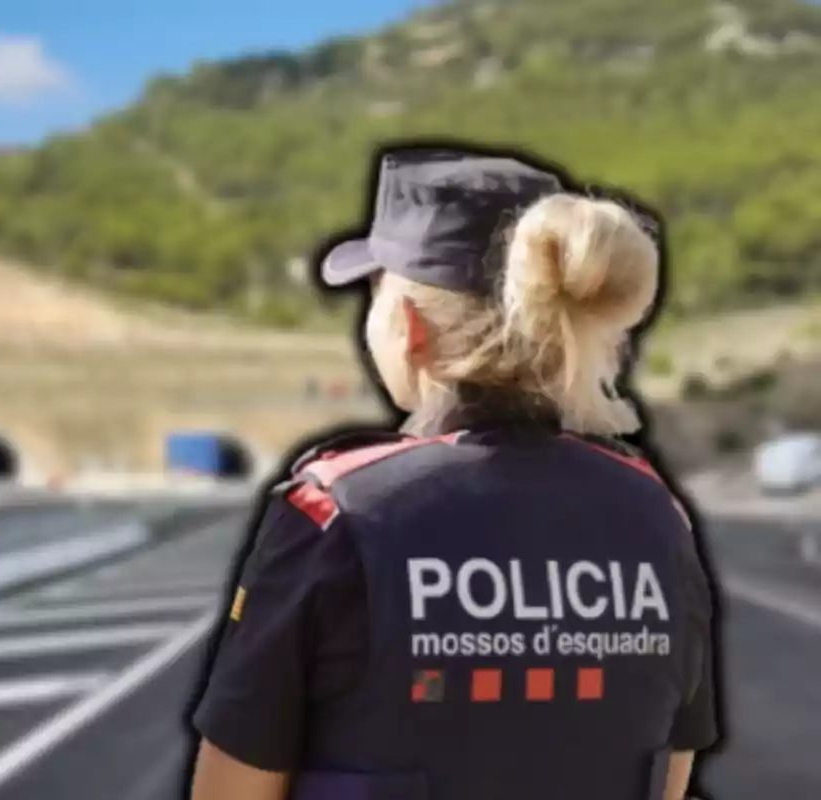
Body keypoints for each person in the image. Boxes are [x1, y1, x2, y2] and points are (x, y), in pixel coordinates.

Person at [187, 146, 720, 800]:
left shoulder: (337, 513)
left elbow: (228, 792)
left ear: (408, 327)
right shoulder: (658, 518)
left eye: (374, 293)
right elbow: (667, 779)